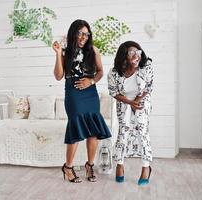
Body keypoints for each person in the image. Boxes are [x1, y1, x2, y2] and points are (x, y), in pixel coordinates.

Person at [52, 19, 111, 183]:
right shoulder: (66, 52)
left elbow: (100, 72)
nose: (83, 37)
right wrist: (58, 54)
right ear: (74, 33)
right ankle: (68, 167)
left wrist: (90, 81)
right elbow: (58, 76)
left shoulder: (93, 50)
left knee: (93, 130)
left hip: (90, 94)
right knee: (76, 128)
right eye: (80, 33)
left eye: (86, 34)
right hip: (73, 94)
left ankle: (90, 165)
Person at [107, 41, 154, 186]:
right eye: (132, 53)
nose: (136, 56)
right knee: (123, 134)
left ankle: (146, 167)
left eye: (138, 52)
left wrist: (137, 101)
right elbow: (114, 92)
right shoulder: (114, 73)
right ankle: (119, 164)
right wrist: (129, 103)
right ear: (124, 56)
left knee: (142, 133)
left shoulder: (146, 67)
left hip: (142, 101)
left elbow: (149, 86)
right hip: (124, 102)